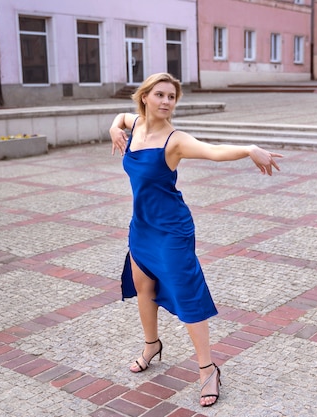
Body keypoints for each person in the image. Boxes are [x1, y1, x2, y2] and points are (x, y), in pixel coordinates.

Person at [109, 72, 282, 407]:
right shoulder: (135, 125)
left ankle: (208, 369)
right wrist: (114, 128)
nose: (165, 102)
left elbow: (213, 151)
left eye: (171, 97)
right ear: (145, 97)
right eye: (159, 95)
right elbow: (120, 116)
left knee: (186, 294)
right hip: (142, 225)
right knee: (143, 286)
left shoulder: (175, 140)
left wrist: (249, 149)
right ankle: (151, 346)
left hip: (172, 228)